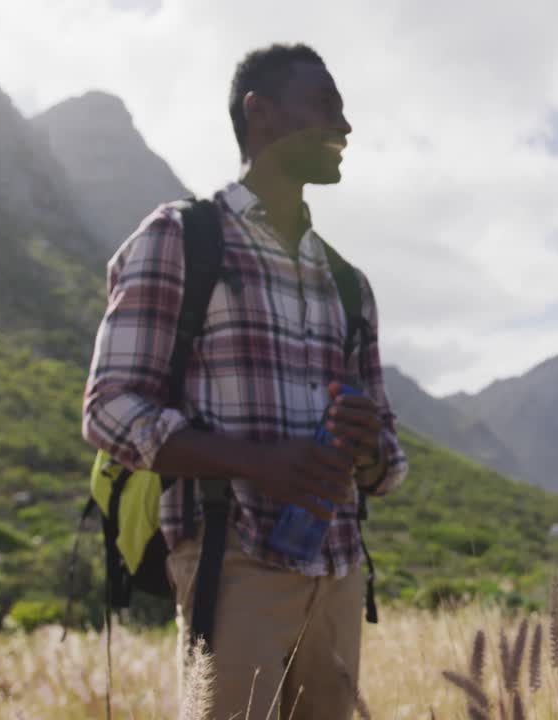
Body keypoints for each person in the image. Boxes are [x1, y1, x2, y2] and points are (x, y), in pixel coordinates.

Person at [82, 43, 407, 720]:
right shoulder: (182, 239)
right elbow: (109, 409)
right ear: (261, 114)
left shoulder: (348, 284)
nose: (344, 126)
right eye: (325, 106)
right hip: (230, 562)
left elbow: (388, 464)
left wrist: (369, 446)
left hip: (340, 573)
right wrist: (259, 463)